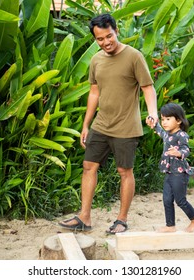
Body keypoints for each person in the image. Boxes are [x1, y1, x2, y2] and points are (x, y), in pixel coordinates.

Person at [58, 13, 158, 234]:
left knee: (125, 171)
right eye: (100, 39)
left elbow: (148, 87)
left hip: (126, 127)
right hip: (101, 125)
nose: (106, 42)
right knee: (88, 167)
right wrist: (86, 125)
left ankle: (121, 220)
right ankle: (84, 217)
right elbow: (94, 93)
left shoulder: (134, 56)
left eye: (109, 36)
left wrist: (153, 113)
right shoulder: (96, 60)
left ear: (116, 31)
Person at [147, 103, 194, 233]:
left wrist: (179, 153)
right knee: (167, 199)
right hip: (169, 172)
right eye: (163, 119)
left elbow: (186, 149)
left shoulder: (181, 135)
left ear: (178, 120)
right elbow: (159, 130)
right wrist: (153, 122)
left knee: (180, 200)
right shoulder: (167, 134)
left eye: (168, 119)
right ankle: (170, 225)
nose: (164, 122)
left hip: (179, 173)